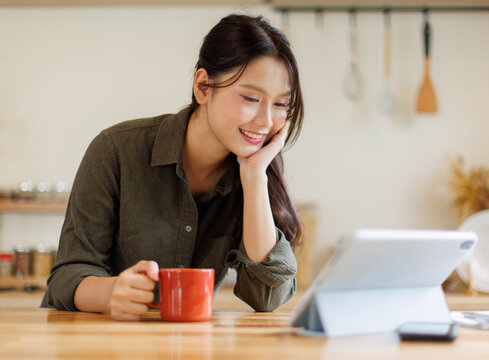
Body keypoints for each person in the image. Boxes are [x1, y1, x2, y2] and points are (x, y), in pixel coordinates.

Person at [41, 13, 304, 321]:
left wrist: (255, 175)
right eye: (250, 98)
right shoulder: (116, 150)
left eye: (281, 104)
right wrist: (112, 293)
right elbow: (66, 277)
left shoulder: (258, 167)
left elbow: (267, 297)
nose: (266, 121)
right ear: (203, 87)